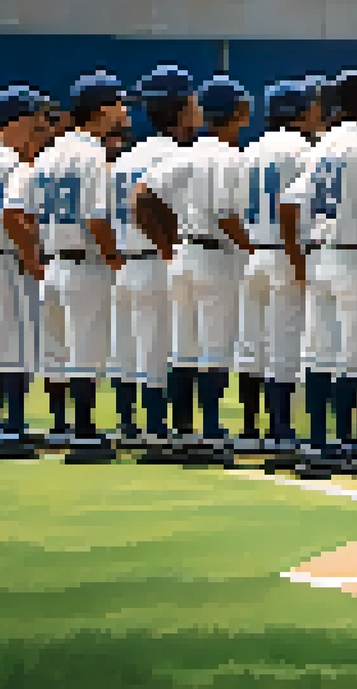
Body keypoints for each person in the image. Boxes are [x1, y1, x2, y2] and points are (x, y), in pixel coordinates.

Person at [4, 71, 126, 458]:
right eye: (118, 104)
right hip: (84, 262)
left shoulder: (49, 153)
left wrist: (36, 252)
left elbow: (23, 213)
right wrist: (113, 257)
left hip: (54, 262)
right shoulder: (92, 153)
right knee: (86, 350)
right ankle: (85, 432)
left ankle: (60, 426)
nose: (123, 111)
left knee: (56, 351)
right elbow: (95, 217)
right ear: (102, 110)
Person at [137, 76, 253, 459]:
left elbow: (140, 196)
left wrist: (167, 246)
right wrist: (251, 247)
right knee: (215, 349)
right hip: (215, 257)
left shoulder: (185, 153)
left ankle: (183, 431)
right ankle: (212, 432)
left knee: (183, 349)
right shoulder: (230, 156)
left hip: (184, 256)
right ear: (239, 113)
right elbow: (225, 213)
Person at [280, 70, 357, 468]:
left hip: (320, 255)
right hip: (354, 257)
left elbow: (289, 205)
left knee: (318, 353)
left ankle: (316, 441)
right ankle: (345, 441)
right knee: (354, 355)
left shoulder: (322, 145)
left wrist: (298, 259)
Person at [112, 66, 200, 451]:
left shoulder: (127, 157)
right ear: (180, 110)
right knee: (161, 348)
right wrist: (168, 249)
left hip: (125, 262)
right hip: (155, 261)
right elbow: (149, 206)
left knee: (130, 350)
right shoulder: (174, 156)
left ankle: (129, 425)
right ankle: (158, 429)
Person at [0, 86, 55, 453]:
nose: (41, 126)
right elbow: (13, 217)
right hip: (4, 261)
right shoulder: (13, 165)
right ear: (18, 120)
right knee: (13, 349)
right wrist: (32, 256)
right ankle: (11, 428)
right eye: (35, 118)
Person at [236, 79, 323, 453]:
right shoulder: (304, 149)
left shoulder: (249, 150)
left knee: (252, 346)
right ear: (301, 112)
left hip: (254, 252)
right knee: (284, 346)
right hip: (288, 253)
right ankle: (281, 430)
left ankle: (250, 428)